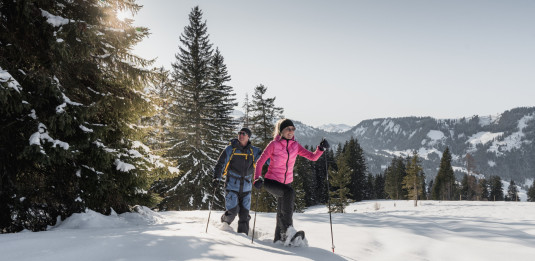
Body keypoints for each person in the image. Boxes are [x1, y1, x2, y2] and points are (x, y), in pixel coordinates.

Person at [253, 119, 329, 243]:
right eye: (288, 129)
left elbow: (312, 157)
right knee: (289, 193)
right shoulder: (274, 145)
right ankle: (289, 230)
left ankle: (279, 239)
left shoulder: (295, 145)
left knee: (281, 211)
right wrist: (257, 178)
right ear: (281, 131)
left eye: (293, 129)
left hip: (286, 182)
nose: (291, 131)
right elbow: (260, 162)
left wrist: (320, 149)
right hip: (271, 181)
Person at [213, 127, 263, 235]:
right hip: (232, 186)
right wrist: (217, 177)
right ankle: (224, 222)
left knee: (245, 215)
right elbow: (220, 164)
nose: (241, 135)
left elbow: (265, 160)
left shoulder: (254, 151)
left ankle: (243, 236)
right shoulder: (230, 149)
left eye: (243, 133)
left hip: (247, 187)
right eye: (239, 133)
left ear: (248, 136)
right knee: (233, 211)